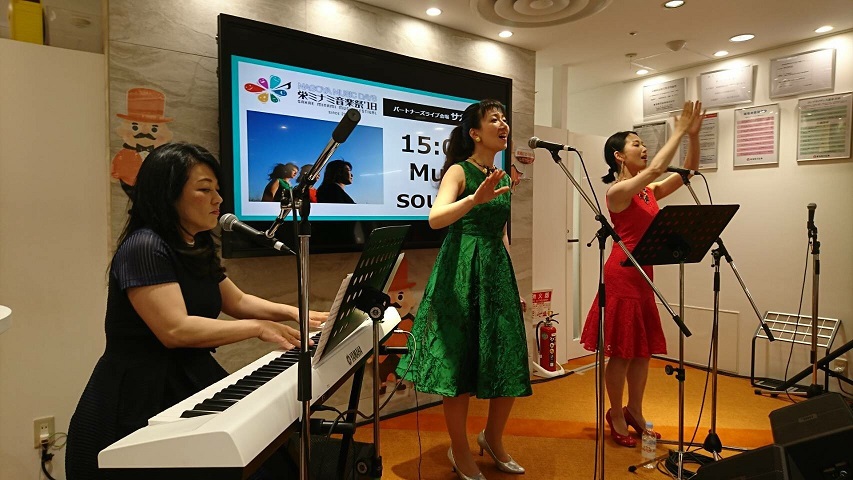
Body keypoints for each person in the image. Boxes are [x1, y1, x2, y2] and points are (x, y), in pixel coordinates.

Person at [66, 143, 327, 479]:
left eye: (217, 189)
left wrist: (297, 312)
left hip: (188, 375)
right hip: (140, 393)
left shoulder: (195, 243)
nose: (218, 199)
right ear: (168, 194)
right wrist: (258, 328)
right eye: (205, 190)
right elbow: (175, 330)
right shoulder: (144, 246)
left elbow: (237, 301)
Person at [397, 100, 531, 480]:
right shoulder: (459, 171)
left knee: (506, 356)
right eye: (493, 119)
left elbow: (500, 234)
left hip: (495, 272)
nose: (503, 124)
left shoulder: (502, 176)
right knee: (458, 362)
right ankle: (459, 449)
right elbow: (435, 218)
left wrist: (511, 286)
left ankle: (493, 438)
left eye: (504, 118)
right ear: (474, 133)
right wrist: (473, 199)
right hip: (459, 271)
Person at [580, 101, 704, 448]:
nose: (644, 148)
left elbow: (687, 172)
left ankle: (634, 409)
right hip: (622, 273)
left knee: (641, 351)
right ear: (619, 156)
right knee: (621, 352)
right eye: (637, 144)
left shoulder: (648, 192)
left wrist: (693, 137)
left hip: (644, 272)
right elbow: (656, 170)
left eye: (644, 144)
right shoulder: (617, 192)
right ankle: (615, 413)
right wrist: (678, 131)